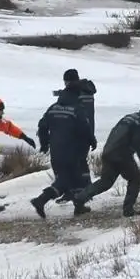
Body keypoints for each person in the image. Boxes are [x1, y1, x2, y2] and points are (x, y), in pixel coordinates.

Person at [72, 98, 140, 217]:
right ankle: (128, 209)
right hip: (122, 154)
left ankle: (80, 198)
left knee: (105, 182)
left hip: (108, 151)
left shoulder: (130, 117)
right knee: (135, 178)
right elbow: (138, 143)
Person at [30, 84, 97, 218]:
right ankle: (41, 200)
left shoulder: (53, 108)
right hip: (72, 151)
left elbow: (42, 125)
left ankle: (79, 207)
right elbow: (85, 128)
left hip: (56, 152)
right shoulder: (77, 109)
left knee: (67, 179)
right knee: (72, 179)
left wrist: (44, 144)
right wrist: (92, 140)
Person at [53, 69, 97, 203]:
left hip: (77, 133)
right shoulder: (87, 90)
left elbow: (72, 104)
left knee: (72, 164)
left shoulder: (77, 94)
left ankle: (73, 192)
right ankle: (87, 189)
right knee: (81, 162)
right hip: (87, 131)